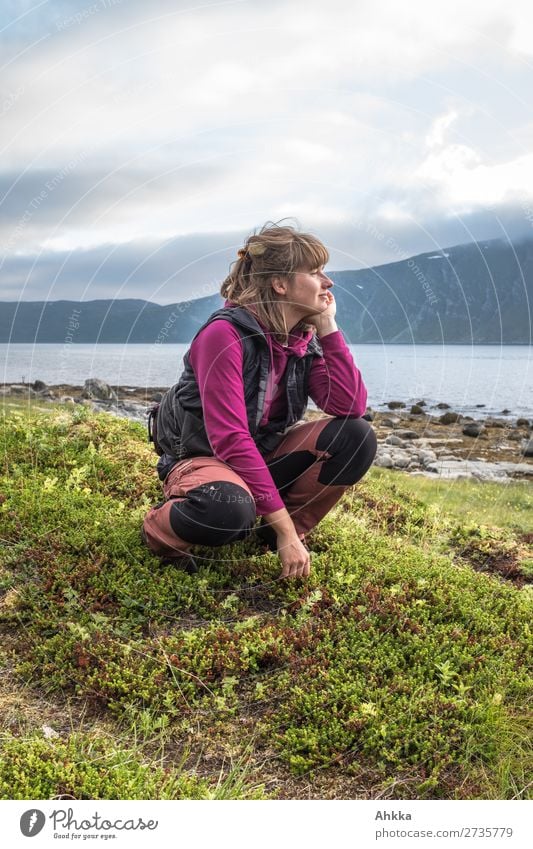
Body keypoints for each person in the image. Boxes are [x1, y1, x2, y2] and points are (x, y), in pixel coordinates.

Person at [142, 222, 377, 579]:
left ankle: (278, 535)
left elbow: (349, 407)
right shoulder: (223, 335)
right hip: (203, 457)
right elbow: (231, 440)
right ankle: (160, 532)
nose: (327, 282)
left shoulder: (300, 338)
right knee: (227, 511)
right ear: (280, 284)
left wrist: (328, 328)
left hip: (263, 454)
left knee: (357, 435)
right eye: (314, 272)